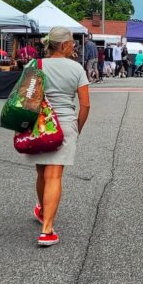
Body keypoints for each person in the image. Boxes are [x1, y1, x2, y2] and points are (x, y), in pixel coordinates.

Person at [30, 26, 90, 247]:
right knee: (54, 175)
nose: (74, 45)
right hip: (64, 124)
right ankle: (47, 230)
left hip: (40, 124)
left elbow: (26, 98)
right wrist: (77, 128)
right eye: (72, 42)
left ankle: (43, 211)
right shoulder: (76, 69)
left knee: (42, 172)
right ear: (64, 44)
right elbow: (85, 104)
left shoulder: (36, 65)